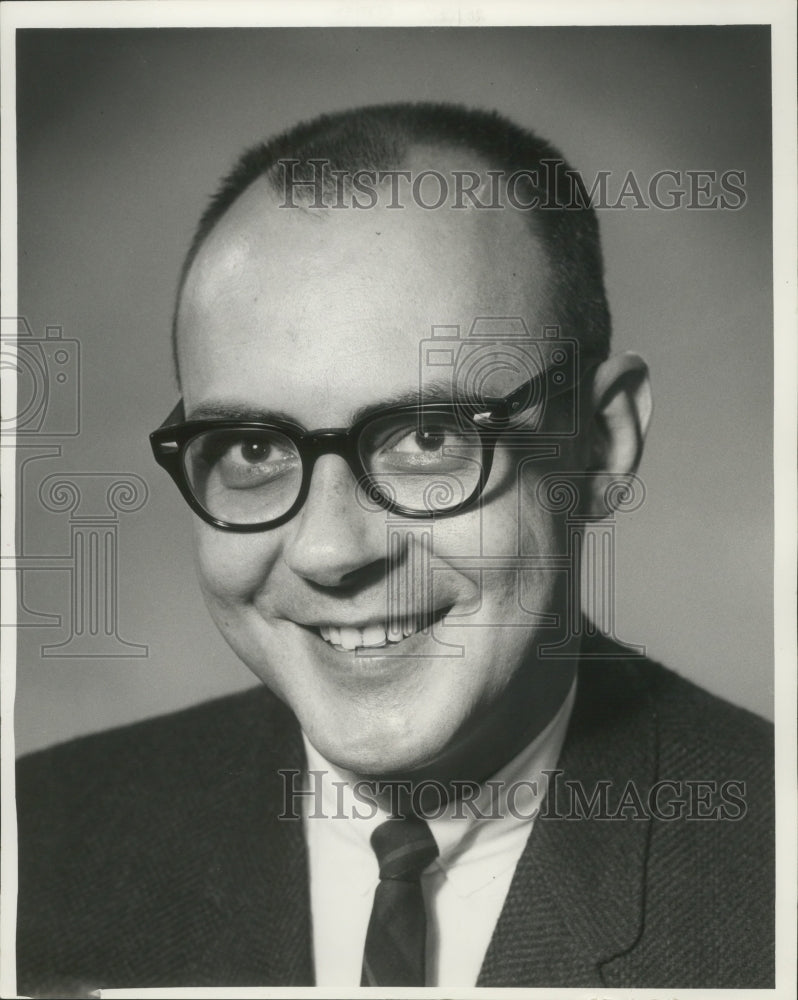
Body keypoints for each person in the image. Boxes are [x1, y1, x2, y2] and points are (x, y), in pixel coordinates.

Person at [16, 103, 774, 994]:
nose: (332, 552)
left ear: (600, 444)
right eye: (254, 449)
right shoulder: (36, 839)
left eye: (425, 437)